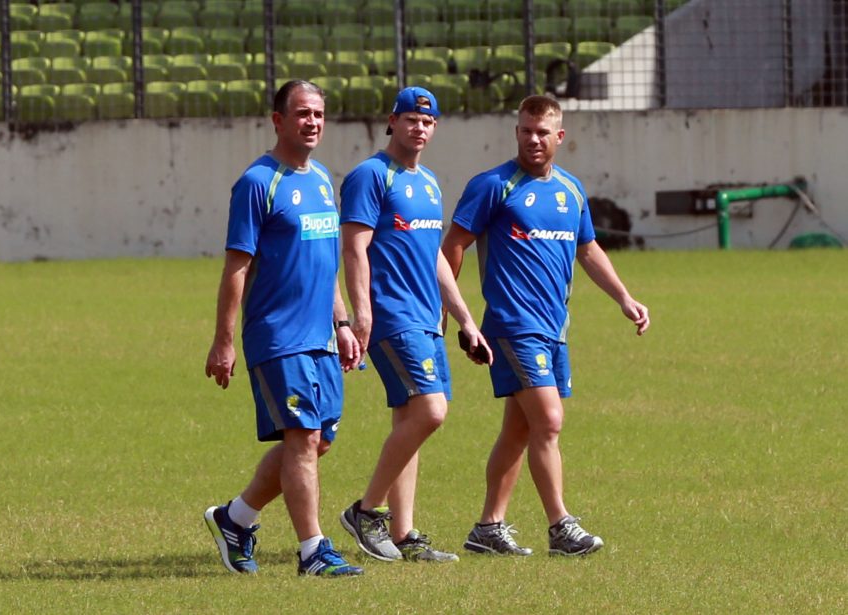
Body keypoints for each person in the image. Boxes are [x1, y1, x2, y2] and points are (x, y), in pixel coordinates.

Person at [441, 94, 650, 557]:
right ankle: (561, 527)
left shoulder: (571, 191)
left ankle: (488, 529)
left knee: (520, 430)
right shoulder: (493, 185)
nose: (532, 139)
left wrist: (624, 297)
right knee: (550, 422)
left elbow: (588, 250)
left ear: (559, 137)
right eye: (524, 131)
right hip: (513, 325)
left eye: (542, 132)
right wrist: (451, 312)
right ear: (516, 132)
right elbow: (452, 245)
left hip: (555, 329)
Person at [202, 80, 363, 577]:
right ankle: (313, 550)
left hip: (320, 336)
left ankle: (236, 518)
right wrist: (224, 341)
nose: (311, 122)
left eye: (318, 113)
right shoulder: (257, 182)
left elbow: (325, 262)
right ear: (278, 120)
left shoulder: (319, 180)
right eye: (300, 113)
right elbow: (237, 267)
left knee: (319, 441)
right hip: (277, 335)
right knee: (302, 435)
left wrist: (341, 321)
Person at [338, 86, 492, 563]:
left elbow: (437, 260)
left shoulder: (428, 184)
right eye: (410, 119)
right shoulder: (370, 176)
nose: (419, 128)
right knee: (431, 411)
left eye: (427, 122)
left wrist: (465, 319)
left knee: (412, 420)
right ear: (393, 121)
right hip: (391, 315)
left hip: (428, 319)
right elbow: (354, 248)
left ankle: (404, 535)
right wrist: (361, 312)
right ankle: (366, 512)